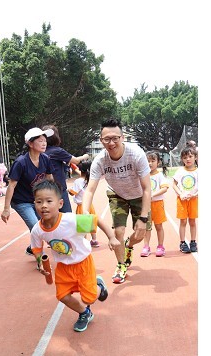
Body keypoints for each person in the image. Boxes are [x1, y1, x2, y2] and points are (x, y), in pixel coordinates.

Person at [30, 179, 120, 332]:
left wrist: (111, 237)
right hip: (63, 267)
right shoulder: (37, 230)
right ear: (35, 204)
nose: (44, 205)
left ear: (60, 203)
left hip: (82, 263)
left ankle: (99, 285)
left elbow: (95, 219)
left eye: (49, 201)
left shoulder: (70, 220)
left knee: (89, 298)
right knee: (62, 296)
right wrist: (40, 262)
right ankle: (85, 313)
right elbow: (37, 249)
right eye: (39, 202)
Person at [82, 118, 151, 284]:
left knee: (140, 234)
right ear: (101, 140)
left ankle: (129, 244)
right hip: (117, 195)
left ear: (122, 137)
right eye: (107, 139)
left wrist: (143, 219)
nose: (111, 143)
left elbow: (147, 189)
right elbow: (90, 190)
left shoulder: (136, 154)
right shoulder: (100, 160)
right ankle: (121, 265)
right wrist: (84, 212)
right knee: (118, 231)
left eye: (115, 138)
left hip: (139, 195)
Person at [1, 127, 54, 256]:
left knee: (46, 225)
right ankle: (40, 259)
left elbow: (50, 179)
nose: (44, 143)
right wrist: (6, 209)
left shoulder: (45, 159)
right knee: (36, 227)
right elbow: (11, 186)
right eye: (40, 141)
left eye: (45, 141)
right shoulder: (21, 162)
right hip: (21, 201)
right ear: (30, 144)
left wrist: (53, 198)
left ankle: (32, 248)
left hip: (37, 200)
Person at [42, 124, 90, 213]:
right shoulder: (57, 151)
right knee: (67, 216)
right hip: (59, 189)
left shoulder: (41, 152)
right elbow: (76, 161)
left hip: (44, 189)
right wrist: (84, 156)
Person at [140, 151, 169, 257]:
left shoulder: (159, 175)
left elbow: (164, 188)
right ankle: (146, 247)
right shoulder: (143, 175)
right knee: (147, 227)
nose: (150, 163)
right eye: (148, 161)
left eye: (153, 161)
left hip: (157, 204)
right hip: (146, 206)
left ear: (158, 162)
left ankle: (160, 246)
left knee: (158, 226)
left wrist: (152, 195)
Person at [172, 146, 198, 253]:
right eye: (185, 157)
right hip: (182, 200)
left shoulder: (198, 171)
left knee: (192, 221)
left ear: (195, 157)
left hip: (194, 200)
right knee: (183, 221)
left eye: (190, 156)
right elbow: (174, 184)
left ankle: (193, 242)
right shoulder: (180, 171)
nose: (188, 159)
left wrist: (195, 194)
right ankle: (182, 243)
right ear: (182, 159)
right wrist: (180, 194)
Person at [68, 161, 100, 247]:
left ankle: (84, 243)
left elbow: (73, 193)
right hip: (90, 205)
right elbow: (80, 172)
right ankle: (94, 240)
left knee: (83, 225)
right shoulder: (90, 180)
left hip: (82, 206)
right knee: (91, 222)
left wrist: (68, 190)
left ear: (81, 170)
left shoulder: (78, 181)